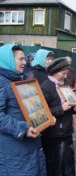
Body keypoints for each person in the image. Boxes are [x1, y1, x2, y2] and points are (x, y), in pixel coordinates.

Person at [0, 44, 47, 176]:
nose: (24, 62)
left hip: (29, 143)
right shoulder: (1, 82)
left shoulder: (20, 79)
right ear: (8, 60)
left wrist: (44, 117)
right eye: (20, 59)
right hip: (13, 147)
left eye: (24, 59)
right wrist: (22, 128)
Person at [41, 57, 76, 176]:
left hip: (66, 131)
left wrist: (75, 109)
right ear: (55, 72)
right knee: (56, 166)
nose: (65, 76)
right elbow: (42, 113)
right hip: (53, 135)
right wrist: (61, 109)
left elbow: (70, 106)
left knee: (67, 165)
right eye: (63, 73)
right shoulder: (45, 87)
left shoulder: (64, 85)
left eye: (66, 74)